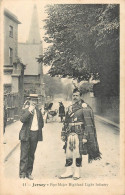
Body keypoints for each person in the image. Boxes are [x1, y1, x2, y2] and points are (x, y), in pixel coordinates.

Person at [59, 88, 101, 180]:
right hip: (69, 133)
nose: (75, 97)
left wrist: (85, 136)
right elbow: (66, 122)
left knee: (78, 153)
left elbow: (87, 123)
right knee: (68, 152)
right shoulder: (70, 107)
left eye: (77, 95)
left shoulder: (84, 107)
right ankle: (68, 171)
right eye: (73, 95)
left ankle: (77, 172)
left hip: (80, 133)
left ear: (80, 96)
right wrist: (63, 133)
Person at [19, 94, 44, 180]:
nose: (34, 102)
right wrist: (29, 111)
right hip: (26, 134)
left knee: (31, 155)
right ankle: (22, 174)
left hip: (35, 134)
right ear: (29, 101)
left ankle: (28, 173)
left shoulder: (38, 111)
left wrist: (37, 128)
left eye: (35, 100)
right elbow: (22, 119)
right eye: (32, 100)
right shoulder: (25, 110)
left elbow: (42, 123)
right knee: (24, 154)